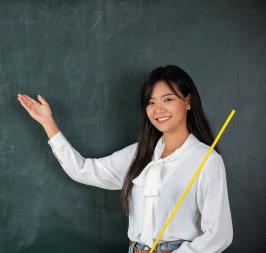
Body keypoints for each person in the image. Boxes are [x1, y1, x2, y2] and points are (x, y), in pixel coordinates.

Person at [17, 65, 233, 253]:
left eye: (167, 99)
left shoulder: (206, 161)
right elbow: (82, 170)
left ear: (188, 101)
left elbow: (219, 235)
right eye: (150, 103)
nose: (158, 110)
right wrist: (48, 124)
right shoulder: (139, 154)